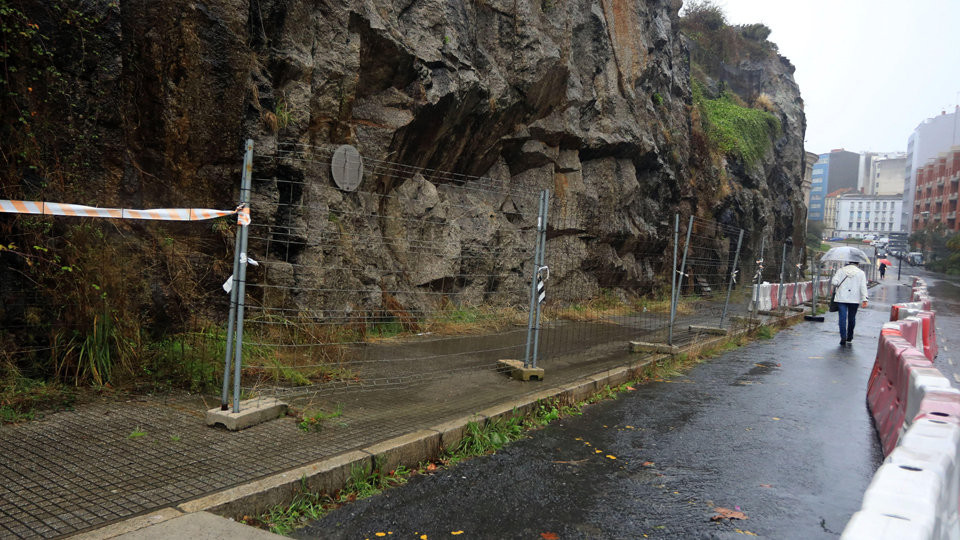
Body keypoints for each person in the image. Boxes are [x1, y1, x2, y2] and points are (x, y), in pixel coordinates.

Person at [831, 261, 869, 346]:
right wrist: (864, 299)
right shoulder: (861, 273)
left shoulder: (841, 270)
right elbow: (863, 286)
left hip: (841, 298)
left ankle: (843, 337)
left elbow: (834, 282)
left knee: (842, 318)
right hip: (854, 299)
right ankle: (850, 336)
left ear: (848, 262)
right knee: (852, 318)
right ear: (857, 263)